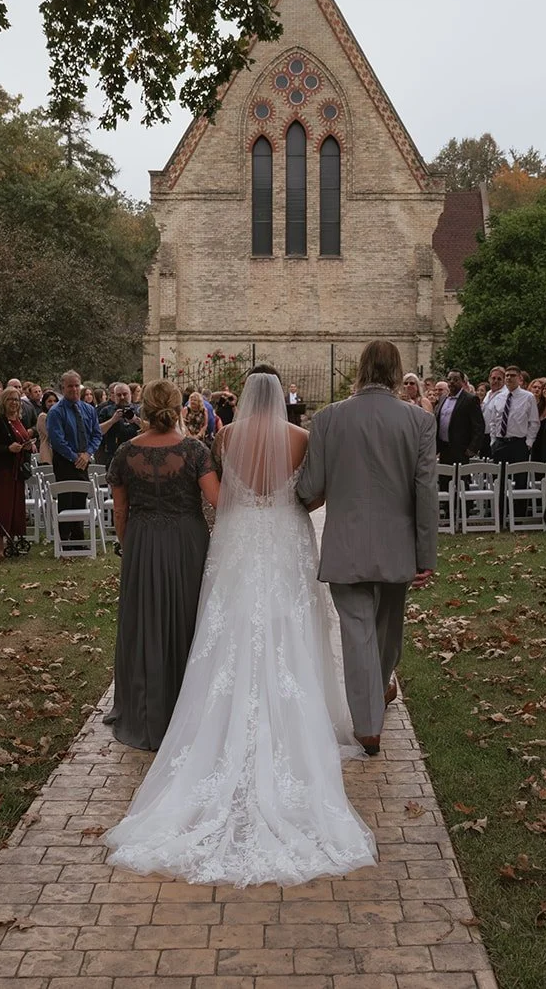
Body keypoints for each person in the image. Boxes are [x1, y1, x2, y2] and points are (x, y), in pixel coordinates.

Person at [105, 371, 374, 886]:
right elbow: (314, 494)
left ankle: (210, 716)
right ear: (283, 398)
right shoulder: (302, 437)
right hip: (285, 535)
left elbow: (224, 496)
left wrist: (250, 505)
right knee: (291, 622)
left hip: (240, 538)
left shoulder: (225, 436)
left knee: (227, 626)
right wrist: (288, 502)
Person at [294, 340, 437, 759]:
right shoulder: (418, 421)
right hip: (398, 544)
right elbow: (425, 491)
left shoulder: (328, 419)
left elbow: (309, 487)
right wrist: (425, 553)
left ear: (359, 369)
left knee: (357, 632)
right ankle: (371, 714)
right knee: (387, 630)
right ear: (396, 372)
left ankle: (368, 720)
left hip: (346, 542)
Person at [101, 380, 219, 750]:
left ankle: (144, 706)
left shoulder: (124, 453)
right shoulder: (195, 451)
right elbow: (218, 500)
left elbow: (120, 511)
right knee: (186, 616)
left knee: (144, 618)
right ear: (178, 407)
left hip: (142, 539)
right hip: (187, 541)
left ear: (144, 408)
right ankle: (186, 707)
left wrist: (129, 543)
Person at [47, 371, 102, 541]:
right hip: (65, 461)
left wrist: (87, 454)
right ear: (63, 388)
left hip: (84, 460)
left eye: (77, 385)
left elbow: (96, 434)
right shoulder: (56, 412)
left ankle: (79, 539)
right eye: (70, 386)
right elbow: (57, 440)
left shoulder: (89, 409)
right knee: (66, 499)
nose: (74, 389)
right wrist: (74, 457)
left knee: (80, 499)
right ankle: (63, 540)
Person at [0, 386, 35, 559]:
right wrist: (8, 448)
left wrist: (28, 446)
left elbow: (23, 440)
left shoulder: (19, 421)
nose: (14, 403)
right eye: (11, 399)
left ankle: (11, 543)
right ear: (4, 401)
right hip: (3, 471)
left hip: (18, 471)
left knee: (16, 508)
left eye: (17, 399)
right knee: (3, 508)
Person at [487, 366, 539, 523]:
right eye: (507, 376)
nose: (509, 378)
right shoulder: (499, 397)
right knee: (500, 480)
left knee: (520, 480)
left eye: (512, 376)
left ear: (519, 378)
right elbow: (494, 421)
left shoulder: (528, 397)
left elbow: (534, 422)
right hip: (501, 442)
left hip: (519, 443)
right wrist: (493, 440)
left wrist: (528, 443)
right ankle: (501, 515)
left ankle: (518, 516)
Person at [434, 370, 484, 467]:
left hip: (461, 449)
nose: (452, 382)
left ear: (462, 382)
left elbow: (479, 426)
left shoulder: (470, 399)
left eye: (456, 379)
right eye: (449, 379)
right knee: (444, 478)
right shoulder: (443, 398)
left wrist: (473, 448)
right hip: (443, 448)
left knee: (460, 480)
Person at [96, 382, 140, 466]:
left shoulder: (139, 410)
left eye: (125, 394)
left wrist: (136, 420)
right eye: (119, 395)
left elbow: (149, 429)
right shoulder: (106, 411)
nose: (122, 397)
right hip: (114, 456)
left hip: (136, 455)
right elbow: (98, 431)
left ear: (130, 394)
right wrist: (112, 420)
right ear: (114, 396)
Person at [36, 390, 58, 465]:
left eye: (55, 401)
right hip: (47, 451)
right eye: (49, 401)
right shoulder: (43, 417)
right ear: (44, 403)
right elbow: (51, 434)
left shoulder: (57, 415)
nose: (53, 403)